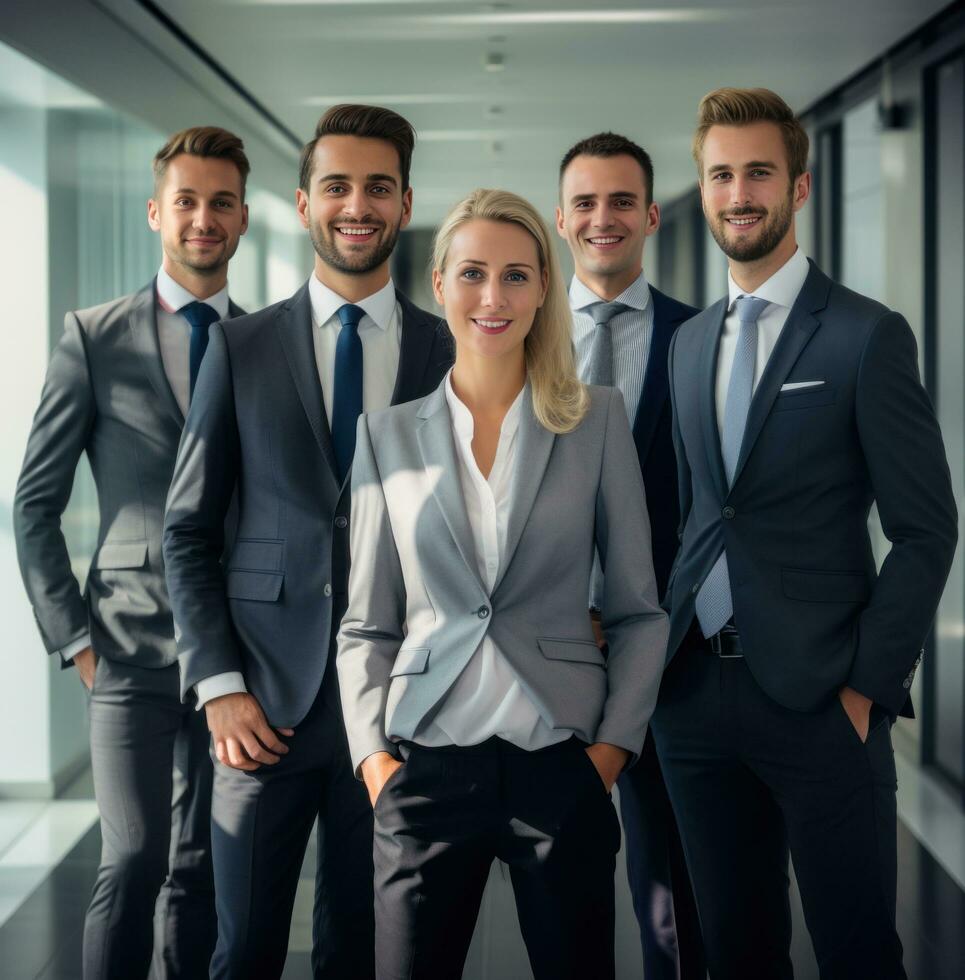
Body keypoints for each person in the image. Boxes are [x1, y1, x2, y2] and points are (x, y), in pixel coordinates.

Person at [654, 87, 958, 980]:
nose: (737, 192)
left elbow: (926, 528)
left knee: (858, 951)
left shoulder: (865, 336)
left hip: (822, 699)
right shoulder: (688, 342)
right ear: (702, 190)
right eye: (720, 175)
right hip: (691, 696)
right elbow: (697, 514)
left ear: (799, 186)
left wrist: (866, 685)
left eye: (757, 172)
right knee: (735, 953)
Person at [336, 188, 670, 980]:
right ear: (440, 283)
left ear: (544, 289)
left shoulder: (596, 422)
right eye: (474, 274)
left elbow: (637, 610)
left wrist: (612, 751)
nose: (494, 297)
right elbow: (365, 625)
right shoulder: (384, 436)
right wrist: (374, 765)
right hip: (422, 770)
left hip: (560, 763)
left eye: (517, 276)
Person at [162, 104, 451, 980]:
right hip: (258, 710)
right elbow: (187, 530)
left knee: (362, 950)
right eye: (336, 185)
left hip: (401, 711)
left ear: (404, 202)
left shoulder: (449, 352)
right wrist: (217, 687)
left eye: (376, 187)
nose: (355, 205)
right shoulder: (239, 346)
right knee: (242, 948)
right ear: (301, 203)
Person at [13, 126, 250, 979]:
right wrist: (73, 638)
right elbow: (34, 503)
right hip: (123, 648)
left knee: (203, 871)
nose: (202, 218)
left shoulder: (263, 343)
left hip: (235, 651)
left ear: (244, 218)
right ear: (157, 212)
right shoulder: (92, 336)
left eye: (220, 202)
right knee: (136, 856)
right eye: (186, 201)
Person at [556, 132, 705, 980]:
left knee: (671, 894)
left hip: (669, 657)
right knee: (559, 885)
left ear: (649, 216)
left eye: (620, 202)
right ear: (561, 218)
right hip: (543, 649)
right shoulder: (518, 340)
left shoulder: (701, 337)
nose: (602, 218)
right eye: (585, 202)